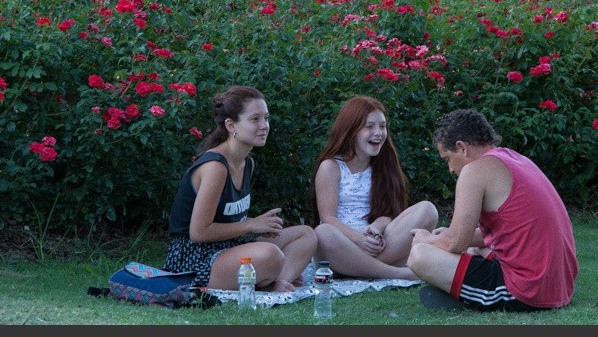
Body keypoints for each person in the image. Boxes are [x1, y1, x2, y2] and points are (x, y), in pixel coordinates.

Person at [407, 108, 578, 312]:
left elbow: (456, 242)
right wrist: (447, 236)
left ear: (462, 148)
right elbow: (492, 234)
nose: (450, 169)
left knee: (420, 255)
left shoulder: (474, 170)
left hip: (526, 292)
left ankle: (469, 298)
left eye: (447, 159)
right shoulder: (513, 158)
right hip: (558, 286)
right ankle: (463, 290)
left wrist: (426, 239)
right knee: (474, 249)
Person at [163, 86, 317, 292]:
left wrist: (261, 226)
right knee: (270, 254)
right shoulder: (216, 167)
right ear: (231, 125)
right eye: (255, 119)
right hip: (194, 259)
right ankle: (268, 282)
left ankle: (276, 281)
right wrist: (251, 225)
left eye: (266, 118)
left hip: (229, 247)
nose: (264, 126)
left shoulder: (247, 164)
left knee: (306, 235)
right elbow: (198, 233)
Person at [310, 95, 439, 280]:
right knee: (322, 232)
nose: (378, 133)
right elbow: (328, 218)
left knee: (428, 210)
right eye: (369, 126)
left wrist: (377, 227)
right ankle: (397, 273)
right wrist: (359, 240)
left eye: (382, 126)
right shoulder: (331, 167)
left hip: (376, 243)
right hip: (342, 243)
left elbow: (389, 212)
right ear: (350, 130)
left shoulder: (384, 165)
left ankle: (362, 269)